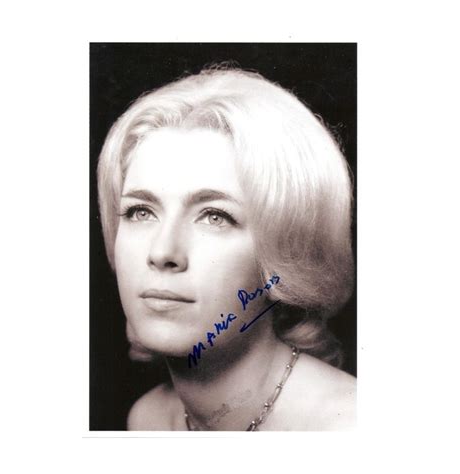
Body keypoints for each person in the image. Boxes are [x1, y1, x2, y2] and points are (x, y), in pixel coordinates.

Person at [97, 65, 356, 431]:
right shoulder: (147, 419)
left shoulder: (348, 429)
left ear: (286, 252)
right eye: (140, 211)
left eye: (215, 216)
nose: (162, 252)